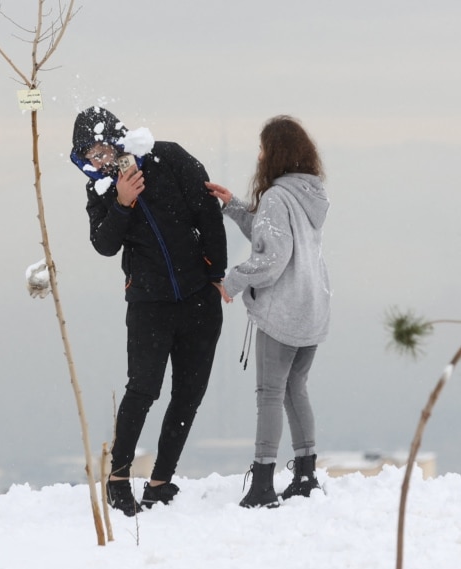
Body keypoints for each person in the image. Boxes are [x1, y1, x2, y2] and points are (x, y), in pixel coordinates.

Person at [69, 106, 227, 516]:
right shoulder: (100, 191)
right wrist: (123, 203)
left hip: (198, 299)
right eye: (89, 156)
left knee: (189, 393)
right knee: (143, 389)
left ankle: (160, 482)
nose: (98, 162)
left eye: (102, 151)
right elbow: (104, 245)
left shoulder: (169, 157)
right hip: (148, 303)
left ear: (118, 142)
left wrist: (217, 272)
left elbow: (207, 211)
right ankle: (118, 479)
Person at [206, 115, 330, 508]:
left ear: (275, 153)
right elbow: (270, 233)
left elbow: (272, 259)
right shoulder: (307, 195)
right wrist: (233, 207)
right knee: (295, 389)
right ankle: (306, 474)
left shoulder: (278, 197)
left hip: (283, 312)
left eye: (262, 148)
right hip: (313, 308)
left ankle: (262, 485)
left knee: (269, 394)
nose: (258, 156)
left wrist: (231, 282)